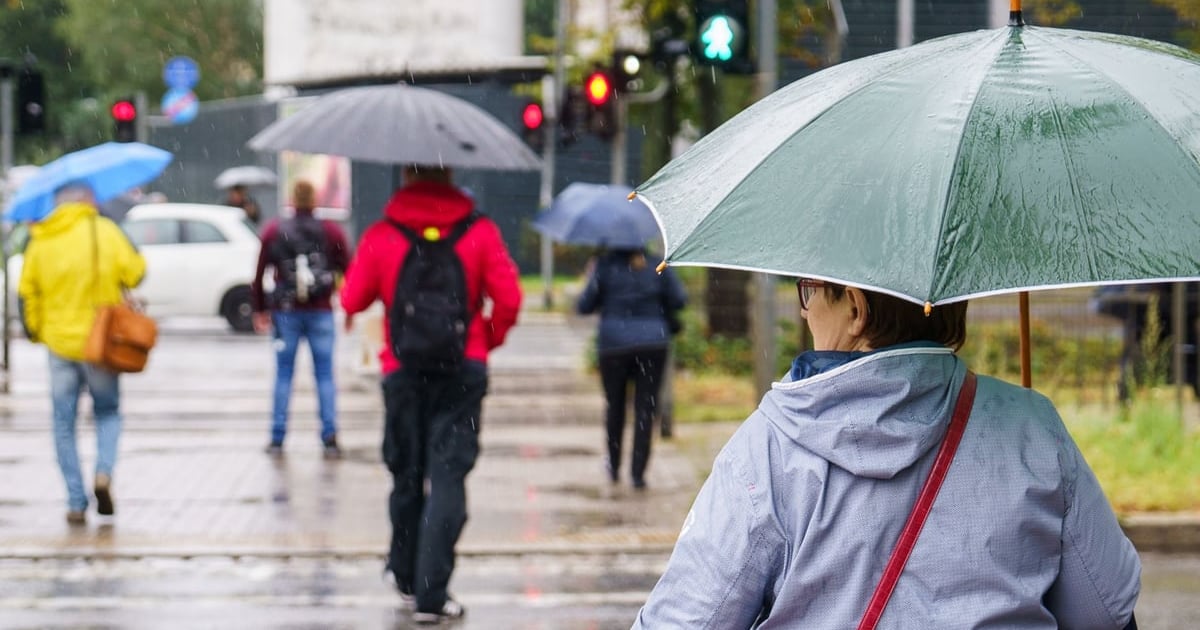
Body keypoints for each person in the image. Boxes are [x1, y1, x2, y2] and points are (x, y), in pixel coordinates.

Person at [633, 279, 1140, 628]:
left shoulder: (770, 448)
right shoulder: (1033, 426)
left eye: (809, 291)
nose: (805, 310)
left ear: (855, 309)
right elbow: (1104, 611)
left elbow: (686, 619)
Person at [339, 164, 521, 624]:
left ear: (405, 177)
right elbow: (509, 300)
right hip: (463, 372)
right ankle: (431, 595)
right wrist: (483, 340)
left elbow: (352, 299)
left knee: (406, 474)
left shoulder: (383, 234)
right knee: (448, 478)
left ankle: (404, 575)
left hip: (402, 372)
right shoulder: (480, 231)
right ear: (451, 174)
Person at [18, 182, 146, 525]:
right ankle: (103, 472)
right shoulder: (105, 231)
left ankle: (76, 501)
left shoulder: (43, 237)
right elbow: (136, 273)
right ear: (87, 199)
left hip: (59, 345)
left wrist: (38, 331)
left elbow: (28, 290)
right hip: (101, 344)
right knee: (108, 412)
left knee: (63, 423)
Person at [251, 180, 350, 458]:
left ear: (292, 200)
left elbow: (259, 272)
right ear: (315, 200)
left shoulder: (274, 230)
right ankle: (329, 435)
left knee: (284, 374)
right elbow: (348, 266)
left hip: (285, 312)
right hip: (321, 311)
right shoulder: (331, 231)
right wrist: (347, 304)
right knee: (324, 375)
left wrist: (260, 308)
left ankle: (277, 437)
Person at [577, 247, 686, 489]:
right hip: (652, 343)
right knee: (646, 407)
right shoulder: (657, 265)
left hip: (613, 346)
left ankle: (614, 466)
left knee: (614, 405)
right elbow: (679, 299)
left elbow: (584, 305)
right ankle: (638, 473)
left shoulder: (604, 266)